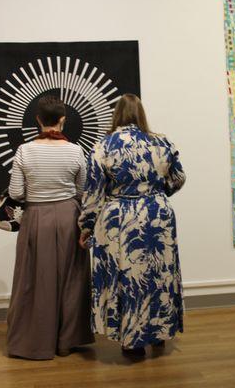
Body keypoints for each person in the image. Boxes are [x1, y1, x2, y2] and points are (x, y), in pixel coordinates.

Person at [78, 94, 186, 357]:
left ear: (116, 115)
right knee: (159, 274)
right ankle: (159, 335)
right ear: (141, 114)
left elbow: (93, 192)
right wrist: (159, 194)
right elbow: (179, 177)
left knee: (128, 278)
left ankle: (132, 340)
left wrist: (86, 226)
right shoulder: (162, 142)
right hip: (157, 213)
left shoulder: (104, 146)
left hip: (121, 218)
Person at [6, 95, 94, 360]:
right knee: (72, 279)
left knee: (34, 281)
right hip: (69, 216)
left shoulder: (24, 151)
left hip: (35, 218)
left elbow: (16, 192)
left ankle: (36, 342)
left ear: (37, 120)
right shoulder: (76, 151)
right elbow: (82, 190)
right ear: (63, 120)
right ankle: (67, 342)